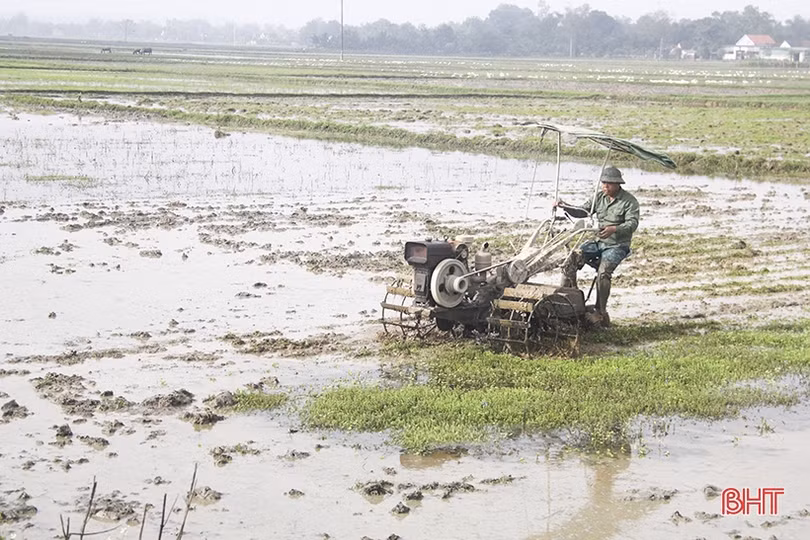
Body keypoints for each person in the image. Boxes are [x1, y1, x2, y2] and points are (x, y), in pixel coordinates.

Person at [552, 166, 640, 326]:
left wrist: (615, 228)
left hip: (617, 245)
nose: (605, 186)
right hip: (599, 242)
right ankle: (569, 298)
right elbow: (583, 211)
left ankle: (600, 311)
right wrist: (564, 206)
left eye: (609, 184)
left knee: (603, 273)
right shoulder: (599, 197)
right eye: (603, 183)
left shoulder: (629, 201)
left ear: (618, 184)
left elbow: (632, 224)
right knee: (571, 258)